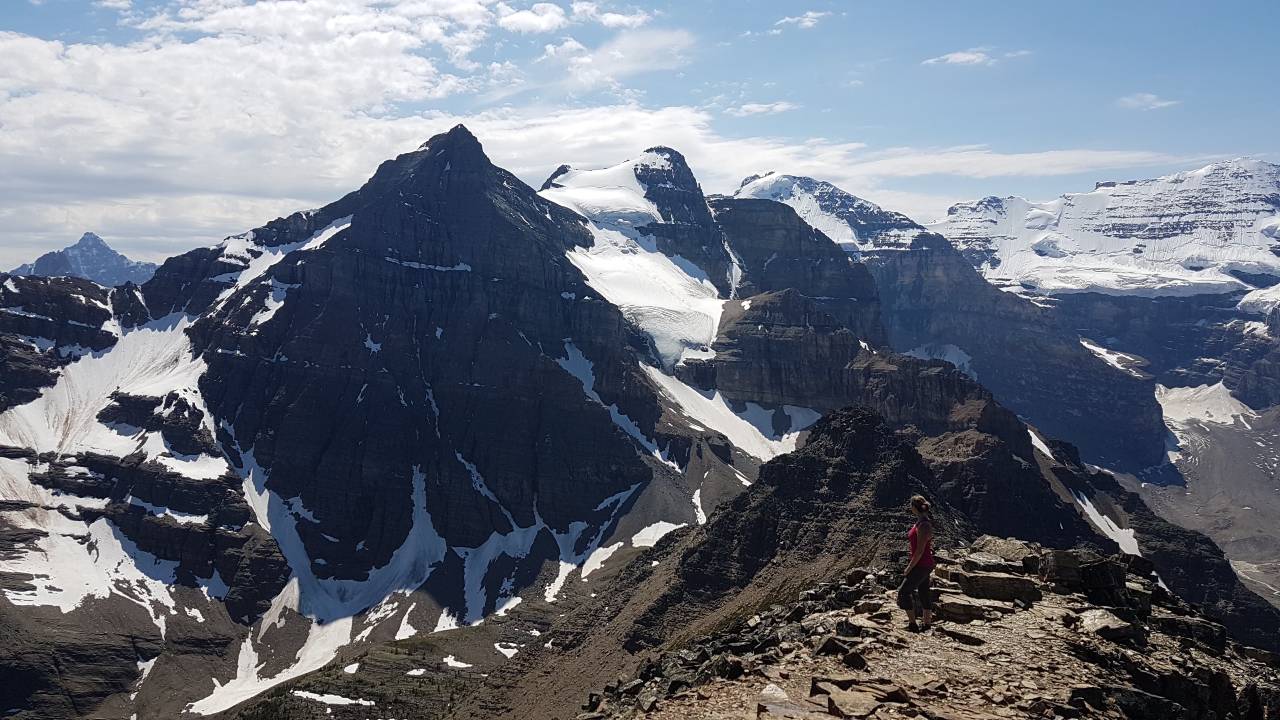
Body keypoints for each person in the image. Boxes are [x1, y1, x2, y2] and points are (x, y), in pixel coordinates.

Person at [897, 494, 935, 631]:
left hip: (921, 564)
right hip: (924, 563)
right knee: (923, 591)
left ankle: (912, 624)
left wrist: (909, 567)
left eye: (911, 505)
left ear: (914, 507)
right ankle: (926, 624)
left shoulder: (924, 525)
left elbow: (919, 551)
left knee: (903, 592)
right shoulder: (920, 522)